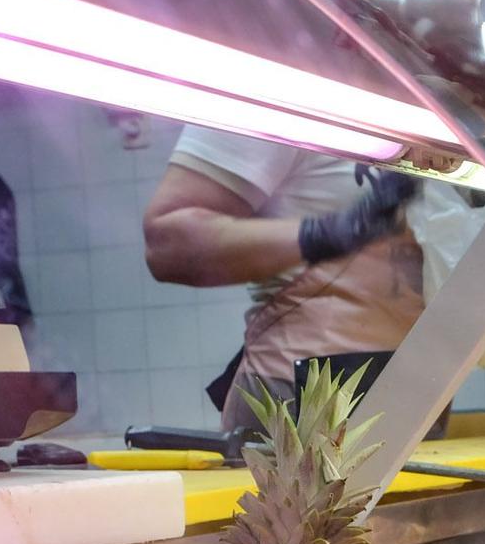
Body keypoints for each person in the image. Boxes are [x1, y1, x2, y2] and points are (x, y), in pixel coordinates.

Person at [142, 127, 424, 432]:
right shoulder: (271, 93)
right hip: (299, 398)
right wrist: (324, 234)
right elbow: (166, 244)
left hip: (416, 384)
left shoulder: (421, 103)